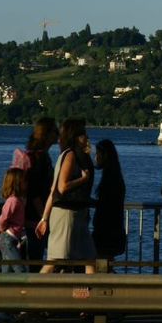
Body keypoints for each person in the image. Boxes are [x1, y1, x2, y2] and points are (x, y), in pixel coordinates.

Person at [36, 117, 96, 274]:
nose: (86, 137)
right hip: (66, 214)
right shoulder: (69, 155)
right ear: (76, 136)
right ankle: (35, 290)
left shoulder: (76, 155)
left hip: (77, 214)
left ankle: (90, 293)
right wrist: (83, 179)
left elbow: (52, 190)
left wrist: (44, 217)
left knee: (89, 257)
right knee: (55, 259)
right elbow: (61, 187)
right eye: (83, 134)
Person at [24, 116, 58, 271]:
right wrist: (43, 217)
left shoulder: (32, 155)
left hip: (31, 216)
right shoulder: (40, 158)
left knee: (36, 257)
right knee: (38, 257)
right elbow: (35, 191)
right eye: (53, 131)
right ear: (47, 134)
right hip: (37, 217)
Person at [92, 139, 127, 261]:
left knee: (100, 264)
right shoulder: (115, 176)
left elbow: (106, 206)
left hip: (106, 233)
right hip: (114, 231)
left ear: (104, 155)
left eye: (97, 154)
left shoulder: (110, 180)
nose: (95, 157)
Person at [0, 167, 28, 273]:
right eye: (24, 180)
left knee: (7, 269)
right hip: (8, 239)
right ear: (17, 183)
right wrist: (2, 227)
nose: (26, 183)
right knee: (19, 268)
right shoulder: (13, 201)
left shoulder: (18, 200)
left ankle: (3, 288)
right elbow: (3, 218)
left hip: (11, 239)